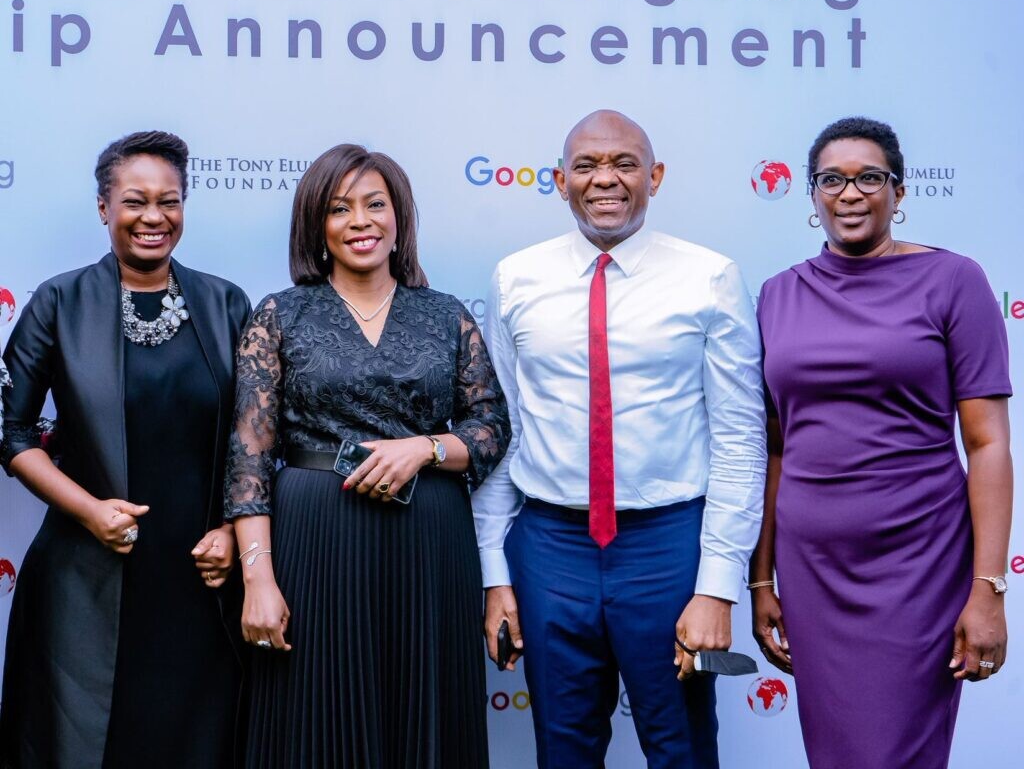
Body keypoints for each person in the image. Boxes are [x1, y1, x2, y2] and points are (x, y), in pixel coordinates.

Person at [473, 109, 767, 768]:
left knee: (681, 748)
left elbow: (740, 441)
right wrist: (496, 574)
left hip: (667, 546)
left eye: (624, 163)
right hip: (550, 547)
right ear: (560, 180)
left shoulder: (710, 277)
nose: (605, 179)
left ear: (655, 176)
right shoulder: (515, 278)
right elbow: (499, 436)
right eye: (587, 165)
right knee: (564, 750)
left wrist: (717, 585)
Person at [223, 143, 510, 769]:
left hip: (429, 543)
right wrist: (258, 580)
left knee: (425, 715)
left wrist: (426, 448)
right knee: (312, 716)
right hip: (314, 538)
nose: (360, 221)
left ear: (399, 217)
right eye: (339, 208)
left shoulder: (445, 315)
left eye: (375, 204)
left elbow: (491, 427)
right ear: (316, 227)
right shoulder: (281, 315)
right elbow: (248, 463)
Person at [750, 117, 1013, 769]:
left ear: (898, 191)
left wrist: (988, 586)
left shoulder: (955, 282)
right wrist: (760, 578)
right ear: (812, 196)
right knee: (837, 754)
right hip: (814, 567)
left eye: (870, 177)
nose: (850, 193)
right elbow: (773, 449)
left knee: (895, 751)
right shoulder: (778, 295)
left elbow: (987, 445)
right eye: (831, 179)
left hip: (918, 560)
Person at [0, 131, 252, 768]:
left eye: (170, 201)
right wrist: (89, 511)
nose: (153, 218)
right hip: (84, 579)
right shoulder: (59, 302)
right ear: (103, 207)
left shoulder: (226, 305)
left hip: (202, 579)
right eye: (135, 201)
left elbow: (257, 441)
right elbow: (11, 430)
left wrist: (231, 531)